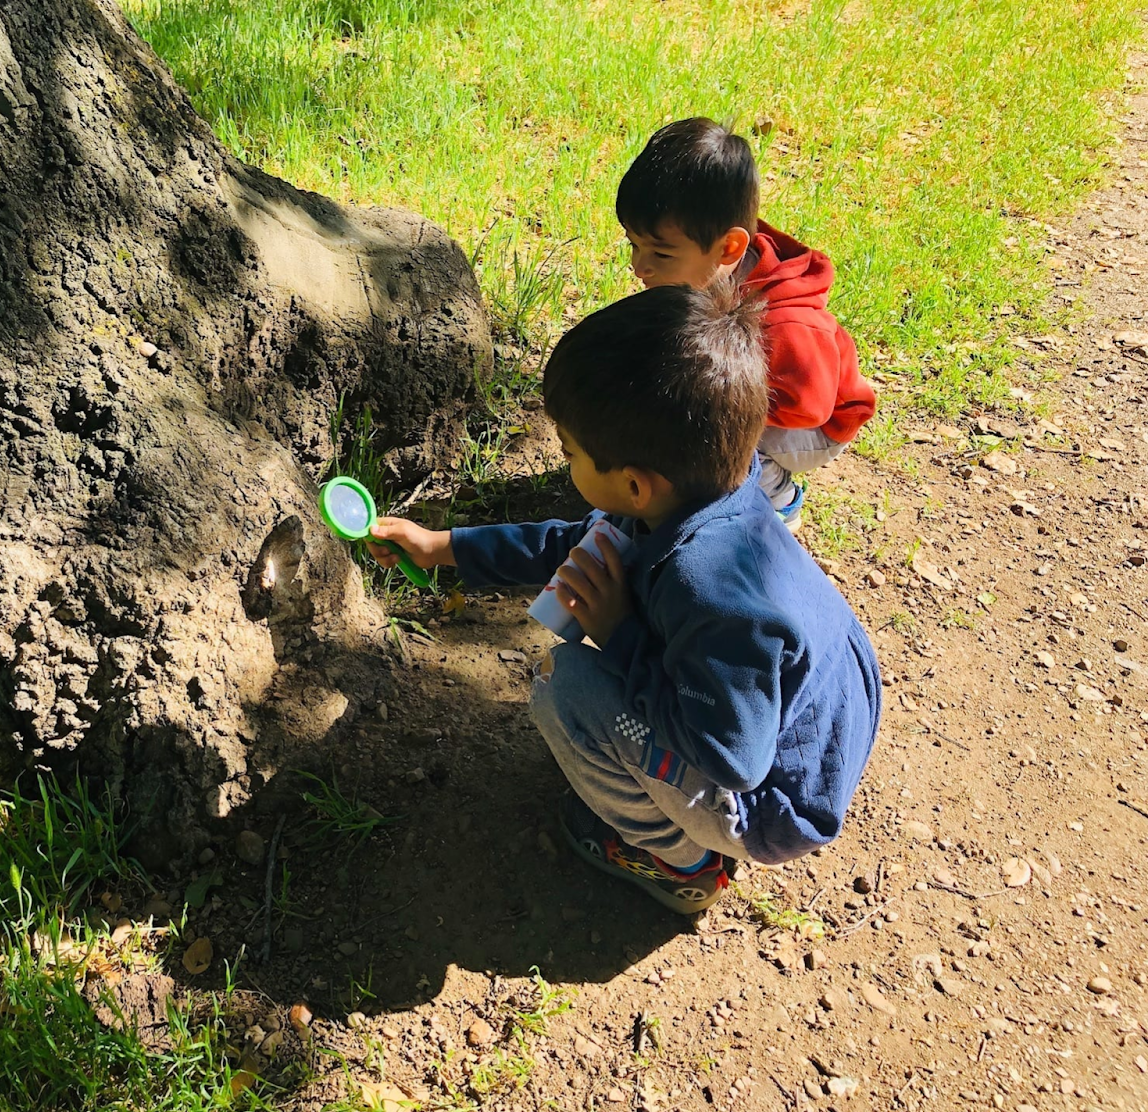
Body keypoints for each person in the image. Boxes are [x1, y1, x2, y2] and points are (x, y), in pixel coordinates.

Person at [369, 285, 881, 913]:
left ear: (635, 483)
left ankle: (682, 862)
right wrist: (441, 546)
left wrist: (621, 637)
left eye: (570, 453)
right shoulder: (706, 485)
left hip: (773, 798)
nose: (566, 463)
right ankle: (671, 811)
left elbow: (733, 758)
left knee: (567, 689)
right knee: (601, 593)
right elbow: (570, 544)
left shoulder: (710, 593)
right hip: (791, 704)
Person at [615, 117, 876, 530]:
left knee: (711, 430)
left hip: (814, 425)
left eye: (660, 255)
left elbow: (811, 405)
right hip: (758, 391)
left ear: (730, 246)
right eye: (633, 245)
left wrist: (709, 399)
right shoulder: (707, 262)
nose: (638, 266)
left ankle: (777, 498)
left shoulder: (789, 323)